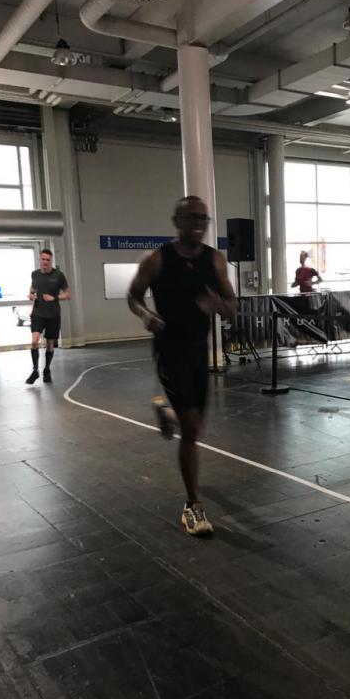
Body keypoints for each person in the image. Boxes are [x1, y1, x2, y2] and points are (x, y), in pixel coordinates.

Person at [128, 195, 236, 537]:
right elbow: (133, 295)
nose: (198, 224)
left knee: (194, 427)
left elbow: (231, 305)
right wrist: (146, 315)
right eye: (191, 218)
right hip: (169, 348)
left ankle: (167, 410)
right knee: (191, 430)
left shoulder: (215, 260)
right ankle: (193, 506)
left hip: (197, 350)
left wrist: (220, 305)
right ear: (177, 221)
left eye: (203, 218)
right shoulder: (157, 259)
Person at [26, 249, 70, 385]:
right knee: (34, 341)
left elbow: (67, 294)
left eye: (48, 260)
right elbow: (33, 288)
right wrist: (31, 295)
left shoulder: (59, 275)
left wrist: (54, 298)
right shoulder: (35, 274)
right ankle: (35, 371)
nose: (45, 262)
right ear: (39, 260)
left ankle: (46, 370)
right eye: (43, 259)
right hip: (38, 313)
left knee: (50, 345)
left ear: (51, 261)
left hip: (53, 314)